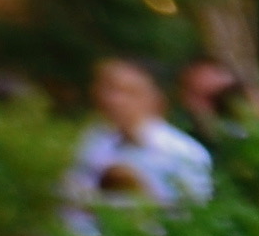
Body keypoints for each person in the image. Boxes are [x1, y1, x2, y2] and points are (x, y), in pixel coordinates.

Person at [60, 56, 214, 221]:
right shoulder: (92, 139)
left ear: (157, 99)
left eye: (128, 91)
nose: (113, 100)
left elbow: (193, 218)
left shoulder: (184, 154)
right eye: (108, 89)